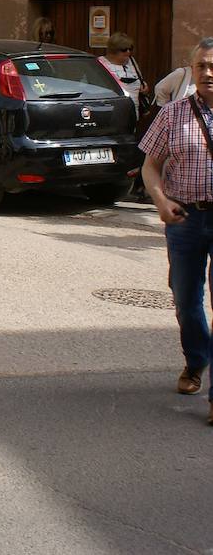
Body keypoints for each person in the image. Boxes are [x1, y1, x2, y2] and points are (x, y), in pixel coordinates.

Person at [139, 36, 213, 426]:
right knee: (186, 300)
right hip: (184, 218)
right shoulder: (174, 114)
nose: (208, 73)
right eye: (201, 66)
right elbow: (151, 165)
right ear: (191, 70)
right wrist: (159, 201)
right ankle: (197, 360)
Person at [99, 33, 148, 107]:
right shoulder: (100, 63)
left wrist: (144, 87)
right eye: (124, 49)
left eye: (130, 49)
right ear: (114, 50)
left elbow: (140, 80)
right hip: (113, 110)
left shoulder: (131, 61)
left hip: (134, 111)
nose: (128, 52)